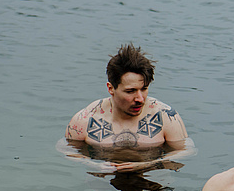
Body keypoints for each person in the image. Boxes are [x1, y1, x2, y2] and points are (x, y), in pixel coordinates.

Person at [64, 43, 194, 171]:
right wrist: (95, 165)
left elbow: (187, 151)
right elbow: (65, 149)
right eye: (130, 91)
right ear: (111, 88)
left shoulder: (165, 116)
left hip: (150, 178)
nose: (140, 99)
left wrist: (148, 165)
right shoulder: (87, 118)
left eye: (144, 89)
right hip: (105, 179)